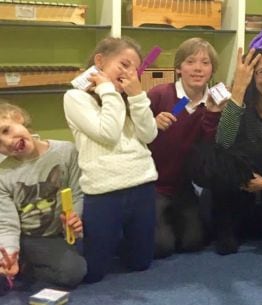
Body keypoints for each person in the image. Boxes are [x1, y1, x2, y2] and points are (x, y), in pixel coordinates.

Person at [196, 28, 262, 257]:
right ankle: (228, 228)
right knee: (221, 155)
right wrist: (239, 90)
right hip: (235, 185)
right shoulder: (238, 102)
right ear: (251, 74)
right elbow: (223, 143)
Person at [63, 36, 158, 283]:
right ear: (100, 61)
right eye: (123, 64)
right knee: (93, 273)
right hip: (104, 190)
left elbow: (149, 134)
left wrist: (137, 96)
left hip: (142, 184)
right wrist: (107, 90)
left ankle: (120, 240)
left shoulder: (129, 95)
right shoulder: (75, 97)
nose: (128, 73)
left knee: (141, 264)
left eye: (134, 69)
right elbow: (108, 133)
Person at [148, 38, 223, 258]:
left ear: (212, 70)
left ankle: (170, 219)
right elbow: (133, 131)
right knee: (161, 247)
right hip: (153, 184)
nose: (198, 68)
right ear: (179, 67)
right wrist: (152, 123)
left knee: (194, 242)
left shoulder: (215, 102)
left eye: (205, 63)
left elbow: (210, 150)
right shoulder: (160, 94)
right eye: (191, 61)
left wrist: (212, 115)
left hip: (184, 186)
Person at [0, 102, 86, 291]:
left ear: (17, 117)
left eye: (6, 130)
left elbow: (78, 192)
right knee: (73, 271)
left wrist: (76, 219)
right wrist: (10, 254)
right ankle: (24, 264)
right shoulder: (3, 175)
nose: (7, 142)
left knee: (91, 264)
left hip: (61, 233)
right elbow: (7, 223)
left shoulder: (66, 151)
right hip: (30, 237)